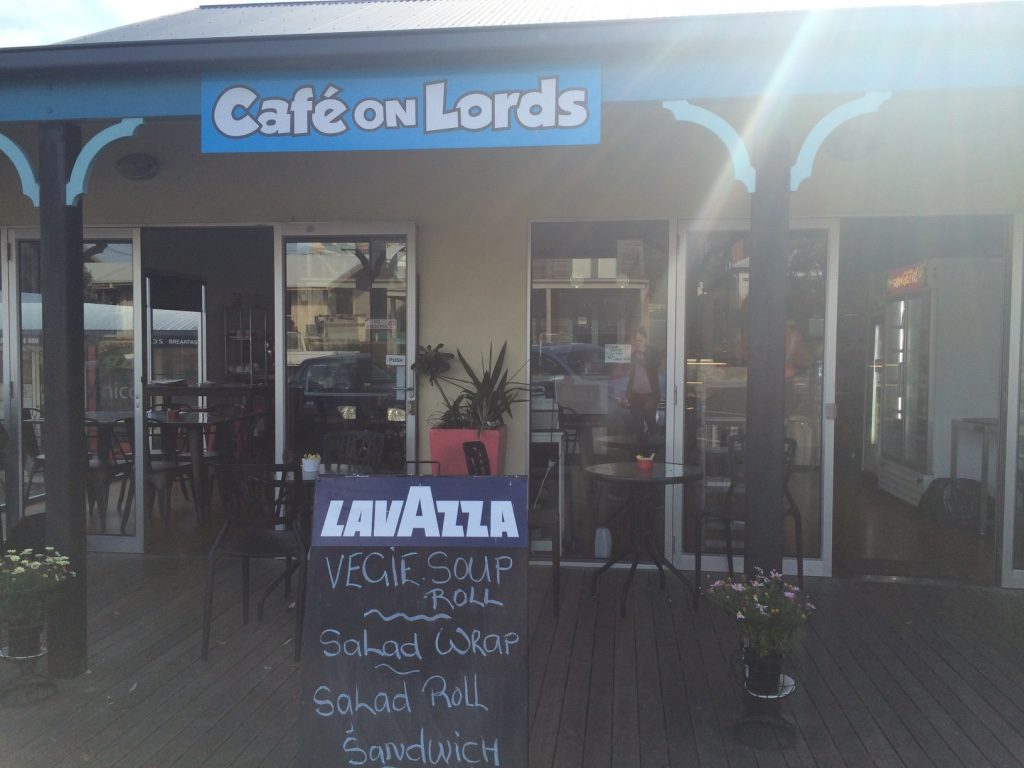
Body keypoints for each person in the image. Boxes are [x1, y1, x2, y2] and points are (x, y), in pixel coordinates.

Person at [619, 328, 661, 436]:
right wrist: (627, 395)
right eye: (636, 340)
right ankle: (640, 449)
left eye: (640, 340)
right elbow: (631, 377)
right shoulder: (633, 355)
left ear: (646, 340)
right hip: (636, 394)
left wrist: (643, 353)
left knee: (650, 419)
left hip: (650, 395)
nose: (638, 343)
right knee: (637, 423)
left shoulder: (653, 353)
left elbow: (653, 366)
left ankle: (657, 447)